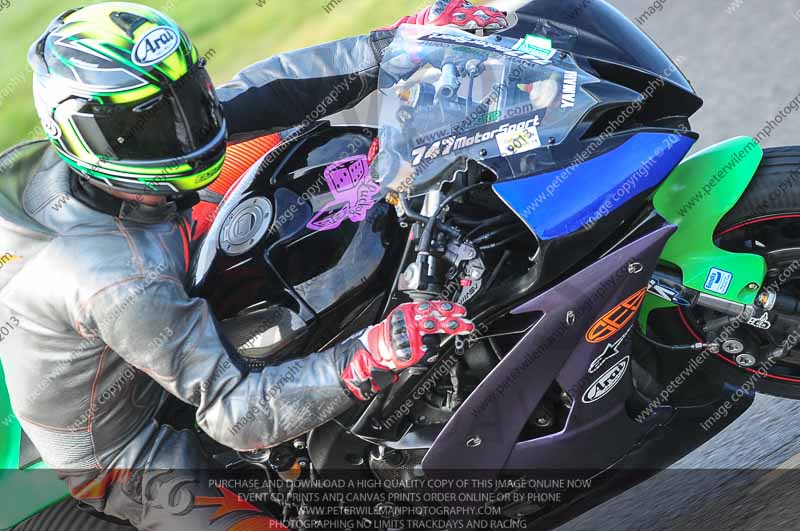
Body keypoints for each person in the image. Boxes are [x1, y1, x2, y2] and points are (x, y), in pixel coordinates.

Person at [0, 1, 508, 529]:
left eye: (187, 99)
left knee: (280, 151)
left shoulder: (127, 150)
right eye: (150, 125)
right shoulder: (116, 279)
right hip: (130, 446)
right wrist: (370, 354)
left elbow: (264, 91)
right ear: (82, 136)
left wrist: (394, 45)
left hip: (145, 273)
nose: (183, 130)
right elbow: (236, 413)